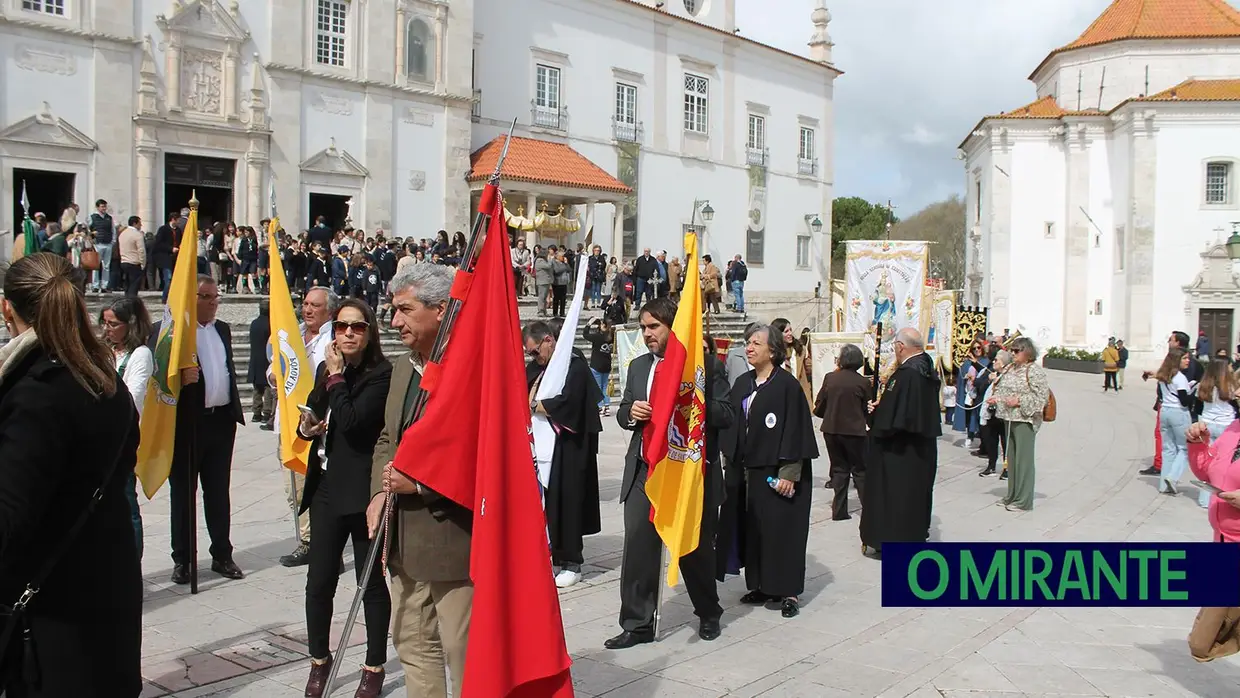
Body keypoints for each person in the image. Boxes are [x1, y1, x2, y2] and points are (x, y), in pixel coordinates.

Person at [0, 253, 142, 696]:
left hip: (54, 619)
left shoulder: (36, 395)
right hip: (109, 593)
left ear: (8, 309)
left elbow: (10, 519)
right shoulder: (106, 383)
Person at [364, 264, 472, 698]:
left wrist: (423, 485)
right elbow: (389, 436)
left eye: (405, 310)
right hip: (404, 538)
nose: (394, 322)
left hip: (453, 538)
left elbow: (482, 451)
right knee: (412, 641)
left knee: (461, 649)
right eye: (393, 311)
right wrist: (378, 491)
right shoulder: (404, 368)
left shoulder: (471, 369)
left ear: (441, 310)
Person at [610, 298, 733, 648]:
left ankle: (708, 612)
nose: (647, 334)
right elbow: (622, 413)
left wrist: (690, 400)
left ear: (671, 326)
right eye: (643, 328)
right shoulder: (638, 367)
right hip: (644, 470)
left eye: (654, 327)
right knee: (638, 546)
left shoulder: (705, 367)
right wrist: (631, 412)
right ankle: (637, 623)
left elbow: (726, 414)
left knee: (692, 548)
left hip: (687, 473)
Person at [296, 299, 392, 698]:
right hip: (328, 488)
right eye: (341, 326)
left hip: (365, 490)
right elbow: (316, 418)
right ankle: (320, 660)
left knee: (369, 584)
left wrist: (335, 379)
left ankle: (374, 666)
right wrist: (307, 426)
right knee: (318, 581)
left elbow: (352, 423)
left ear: (369, 332)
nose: (348, 333)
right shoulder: (327, 371)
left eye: (356, 327)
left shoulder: (382, 375)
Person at [717, 324, 819, 618]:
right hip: (747, 473)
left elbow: (796, 429)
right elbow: (731, 423)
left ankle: (787, 591)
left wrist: (789, 472)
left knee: (782, 532)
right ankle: (761, 584)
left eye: (756, 343)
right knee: (755, 530)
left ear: (772, 351)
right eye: (748, 343)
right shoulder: (743, 383)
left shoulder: (786, 386)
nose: (749, 348)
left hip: (777, 473)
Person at [157, 274, 246, 584]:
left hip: (221, 421)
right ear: (190, 298)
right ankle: (182, 558)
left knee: (218, 491)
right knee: (183, 492)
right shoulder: (174, 333)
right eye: (206, 296)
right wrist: (178, 379)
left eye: (215, 296)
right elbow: (159, 379)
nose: (214, 302)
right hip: (188, 423)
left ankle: (222, 553)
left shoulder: (221, 330)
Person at [524, 321, 603, 588]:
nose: (534, 358)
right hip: (539, 445)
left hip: (569, 445)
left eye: (535, 351)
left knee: (567, 501)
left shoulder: (574, 364)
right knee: (546, 500)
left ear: (548, 340)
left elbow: (570, 403)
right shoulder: (536, 367)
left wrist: (534, 405)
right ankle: (551, 553)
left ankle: (572, 561)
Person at [859, 328, 941, 559]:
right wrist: (883, 406)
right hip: (919, 448)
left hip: (899, 450)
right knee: (913, 495)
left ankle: (889, 540)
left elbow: (899, 416)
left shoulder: (909, 374)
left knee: (895, 496)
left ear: (900, 346)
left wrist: (876, 417)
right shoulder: (924, 368)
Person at [273, 287, 338, 567]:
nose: (307, 309)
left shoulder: (333, 339)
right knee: (294, 489)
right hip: (289, 423)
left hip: (318, 423)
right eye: (305, 303)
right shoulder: (291, 333)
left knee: (318, 487)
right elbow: (277, 369)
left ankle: (318, 542)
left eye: (315, 305)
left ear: (329, 310)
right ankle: (310, 539)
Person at [100, 296, 155, 558]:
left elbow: (132, 399)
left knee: (126, 502)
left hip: (121, 438)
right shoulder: (104, 350)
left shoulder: (140, 355)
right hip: (98, 435)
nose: (107, 329)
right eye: (105, 323)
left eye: (113, 324)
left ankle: (133, 563)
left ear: (130, 325)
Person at [814, 344, 870, 520]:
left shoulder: (830, 378)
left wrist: (825, 414)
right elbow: (867, 408)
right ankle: (868, 508)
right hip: (854, 430)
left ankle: (839, 510)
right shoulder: (863, 382)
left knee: (839, 469)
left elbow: (820, 403)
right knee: (860, 470)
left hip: (832, 429)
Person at [1154, 349, 1194, 496]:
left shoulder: (1162, 376)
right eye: (1185, 358)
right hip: (1178, 413)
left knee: (1168, 449)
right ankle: (1173, 477)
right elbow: (1184, 401)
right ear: (1177, 360)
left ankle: (1163, 484)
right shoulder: (1180, 378)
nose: (1187, 361)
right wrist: (1193, 392)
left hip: (1165, 411)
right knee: (1185, 448)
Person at [583, 317, 615, 416]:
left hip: (596, 364)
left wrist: (589, 324)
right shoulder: (612, 336)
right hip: (607, 365)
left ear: (603, 326)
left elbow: (585, 335)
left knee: (597, 387)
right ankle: (607, 406)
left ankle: (600, 407)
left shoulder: (597, 337)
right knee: (605, 386)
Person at [249, 300, 274, 427]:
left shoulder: (254, 323)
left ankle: (256, 412)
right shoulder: (270, 324)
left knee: (257, 388)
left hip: (254, 359)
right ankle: (266, 413)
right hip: (266, 358)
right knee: (267, 388)